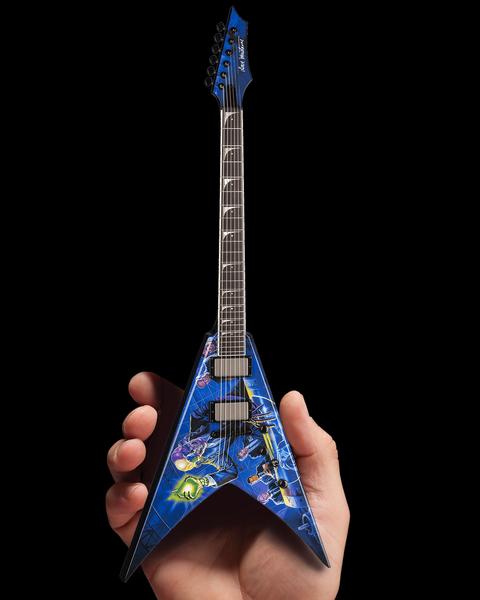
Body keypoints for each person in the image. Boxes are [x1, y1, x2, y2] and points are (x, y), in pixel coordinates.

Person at [106, 372, 350, 599]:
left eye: (185, 449)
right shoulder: (212, 459)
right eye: (191, 457)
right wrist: (204, 480)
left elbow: (208, 407)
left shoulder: (195, 421)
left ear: (182, 443)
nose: (191, 450)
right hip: (252, 428)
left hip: (240, 396)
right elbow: (230, 472)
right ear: (196, 462)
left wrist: (243, 411)